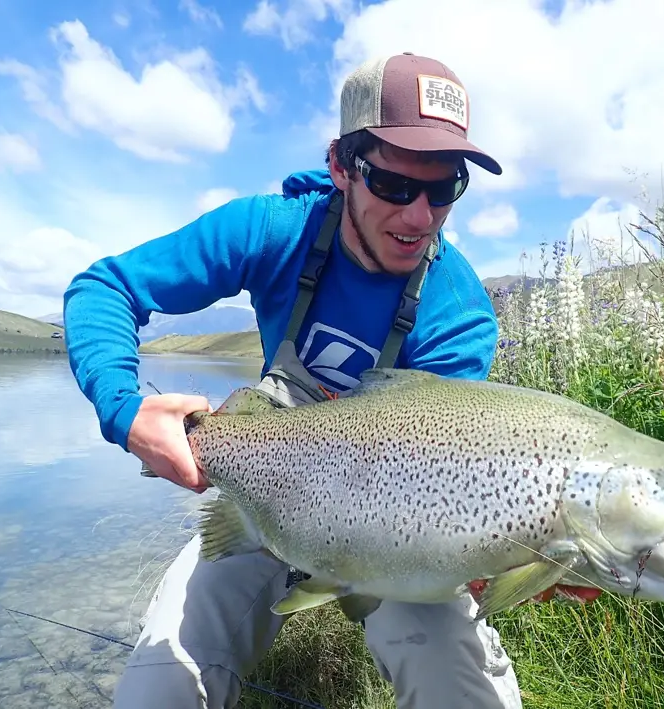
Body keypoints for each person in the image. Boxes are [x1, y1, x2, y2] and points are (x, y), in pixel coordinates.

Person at [62, 51, 523, 709]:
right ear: (341, 165)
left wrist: (501, 553)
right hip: (264, 498)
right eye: (394, 185)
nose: (419, 217)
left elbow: (441, 479)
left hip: (390, 525)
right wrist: (125, 408)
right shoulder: (272, 228)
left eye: (443, 188)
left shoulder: (459, 312)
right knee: (157, 691)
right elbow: (104, 287)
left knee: (465, 695)